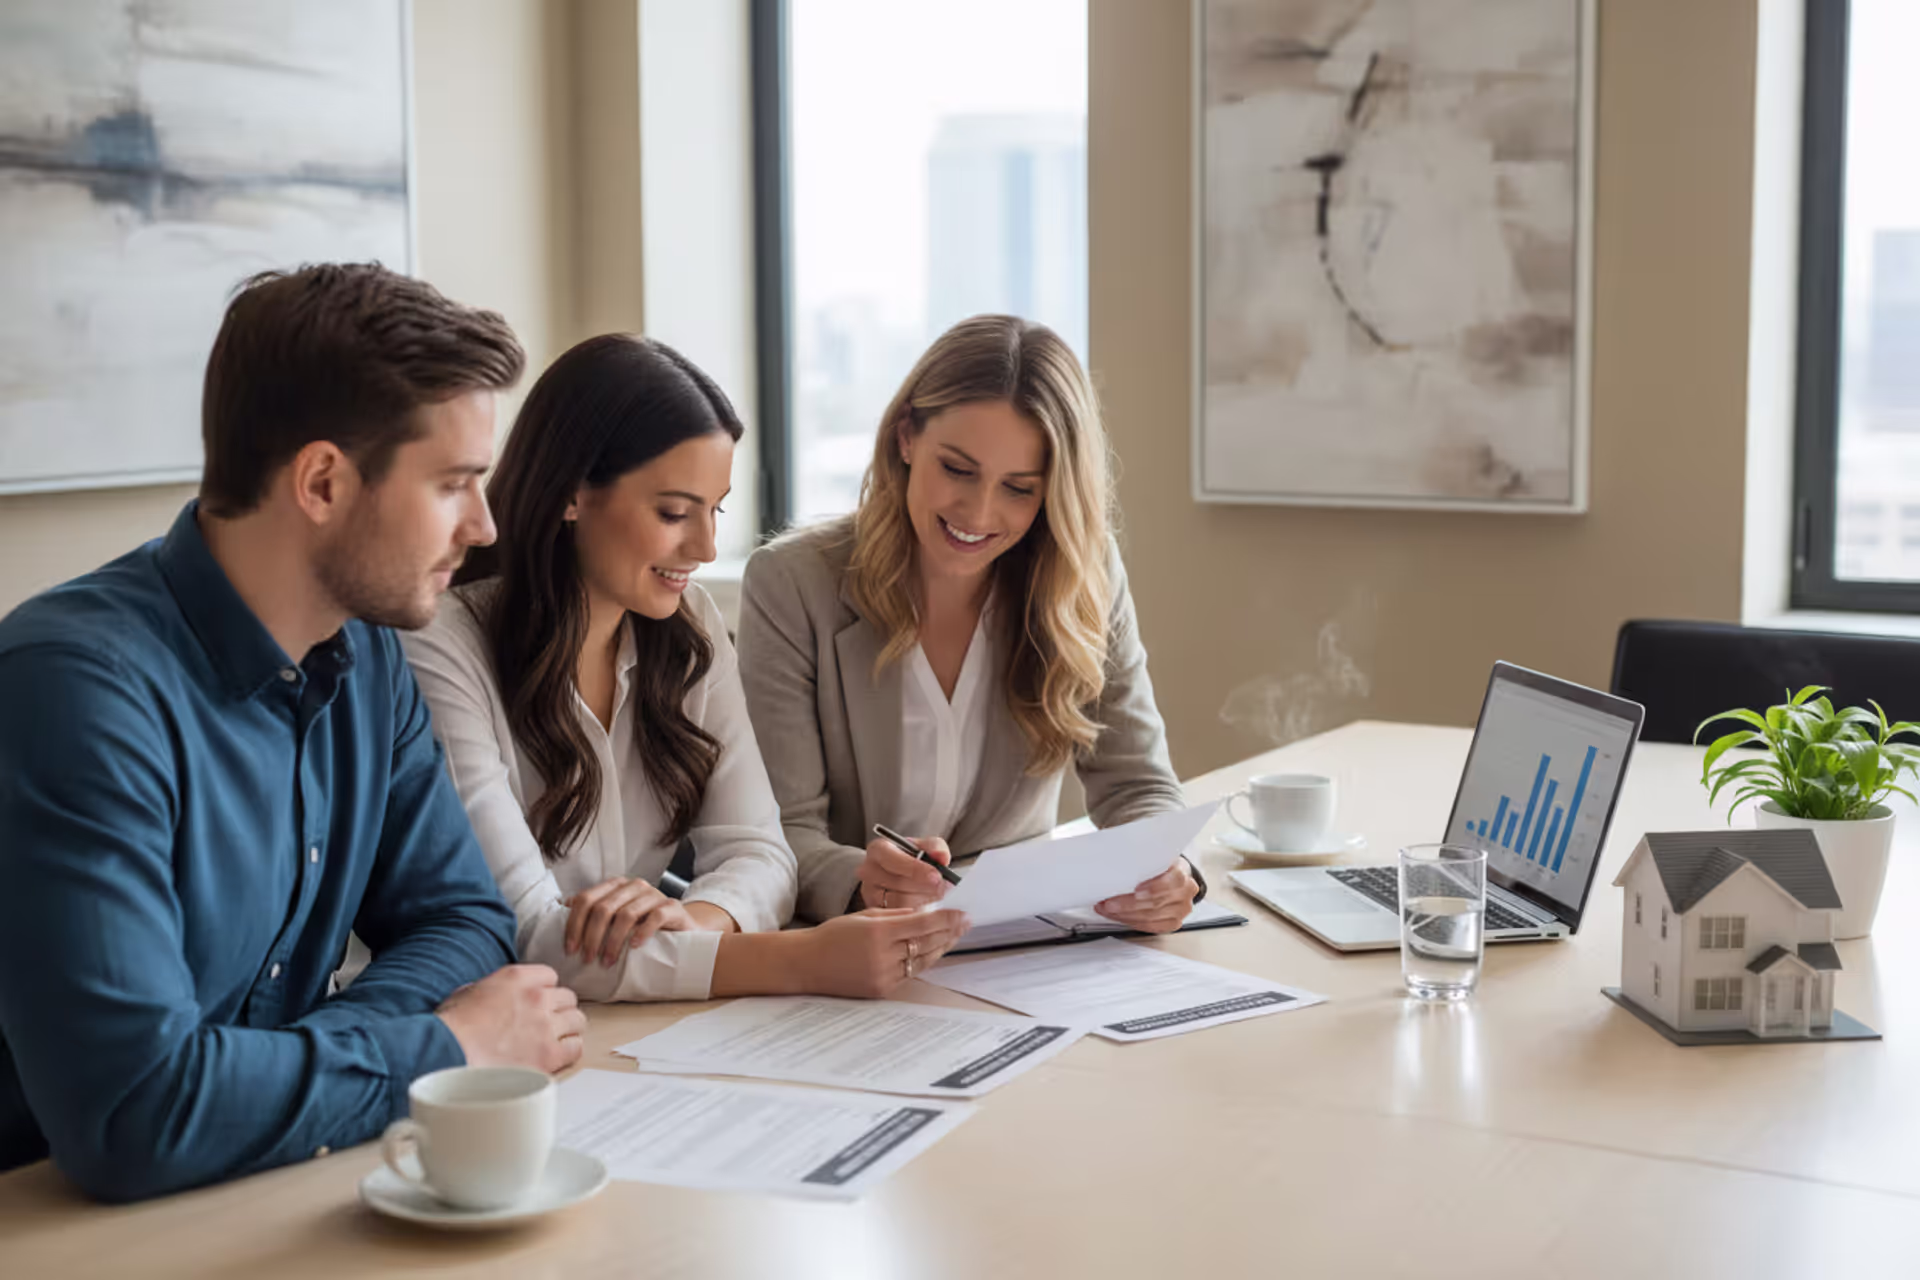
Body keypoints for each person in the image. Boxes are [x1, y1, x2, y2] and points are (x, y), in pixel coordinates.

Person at [0, 264, 586, 1202]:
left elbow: (466, 919)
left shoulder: (369, 654)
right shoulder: (73, 690)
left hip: (258, 1182)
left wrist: (259, 1070)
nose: (484, 526)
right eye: (453, 484)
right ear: (321, 481)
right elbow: (136, 1114)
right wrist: (447, 1045)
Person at [401, 333, 970, 1003]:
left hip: (632, 1022)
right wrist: (798, 961)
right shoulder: (440, 644)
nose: (704, 546)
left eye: (715, 510)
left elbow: (760, 853)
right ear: (572, 494)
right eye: (674, 512)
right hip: (484, 1030)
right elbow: (521, 931)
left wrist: (690, 921)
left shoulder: (689, 625)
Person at [737, 314, 1199, 925]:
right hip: (850, 953)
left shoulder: (1083, 573)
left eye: (1019, 488)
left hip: (1020, 943)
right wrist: (862, 884)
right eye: (957, 469)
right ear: (906, 437)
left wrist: (1166, 870)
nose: (978, 512)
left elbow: (1139, 785)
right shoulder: (792, 583)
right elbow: (780, 832)